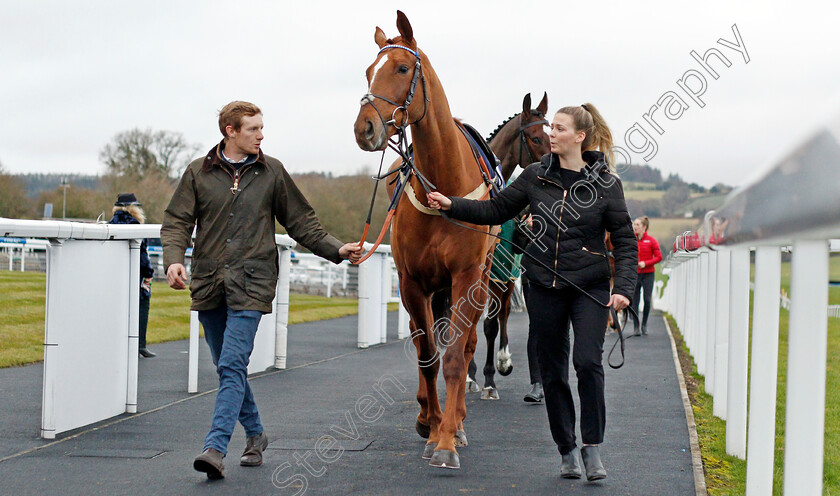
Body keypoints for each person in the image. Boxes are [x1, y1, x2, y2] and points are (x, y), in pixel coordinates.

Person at [427, 103, 637, 482]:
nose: (550, 134)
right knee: (554, 373)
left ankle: (592, 447)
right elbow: (495, 210)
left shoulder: (606, 185)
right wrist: (451, 205)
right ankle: (567, 450)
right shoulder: (534, 176)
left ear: (579, 137)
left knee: (588, 364)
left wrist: (622, 289)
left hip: (588, 287)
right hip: (543, 286)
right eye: (551, 128)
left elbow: (624, 240)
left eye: (558, 128)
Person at [161, 101, 363, 480]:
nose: (261, 135)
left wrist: (337, 249)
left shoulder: (272, 172)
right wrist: (174, 259)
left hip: (252, 284)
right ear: (230, 131)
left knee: (233, 364)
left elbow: (303, 222)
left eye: (261, 128)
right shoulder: (197, 173)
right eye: (253, 128)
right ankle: (256, 435)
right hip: (208, 283)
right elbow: (176, 223)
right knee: (227, 368)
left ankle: (215, 448)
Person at [108, 193, 156, 358]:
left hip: (115, 272)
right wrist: (148, 273)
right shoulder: (134, 224)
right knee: (143, 302)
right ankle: (140, 344)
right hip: (134, 273)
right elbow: (142, 254)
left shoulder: (111, 223)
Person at [631, 216, 662, 336]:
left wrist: (646, 263)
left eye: (638, 225)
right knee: (635, 301)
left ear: (644, 227)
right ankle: (636, 327)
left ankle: (644, 325)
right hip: (635, 274)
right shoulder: (631, 240)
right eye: (634, 225)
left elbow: (659, 257)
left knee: (647, 300)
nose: (635, 227)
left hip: (648, 274)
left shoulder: (652, 241)